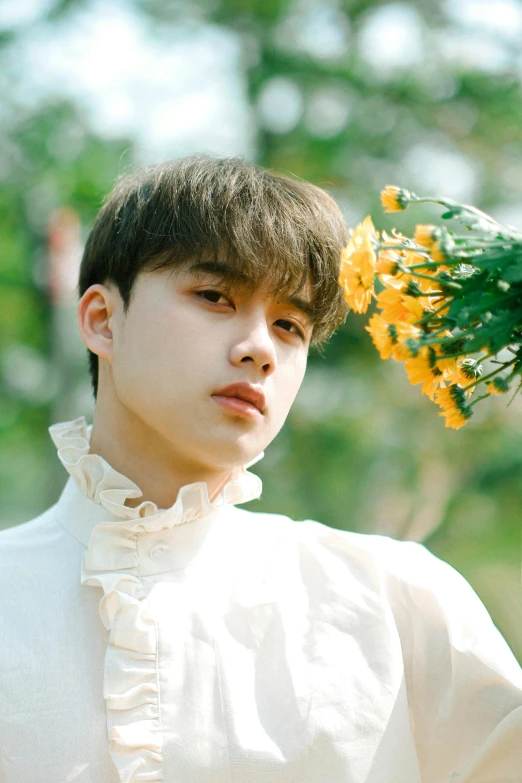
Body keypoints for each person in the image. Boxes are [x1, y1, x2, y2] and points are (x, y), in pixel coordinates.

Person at [0, 154, 521, 783]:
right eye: (215, 296)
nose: (260, 349)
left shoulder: (394, 601)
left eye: (290, 325)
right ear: (103, 321)